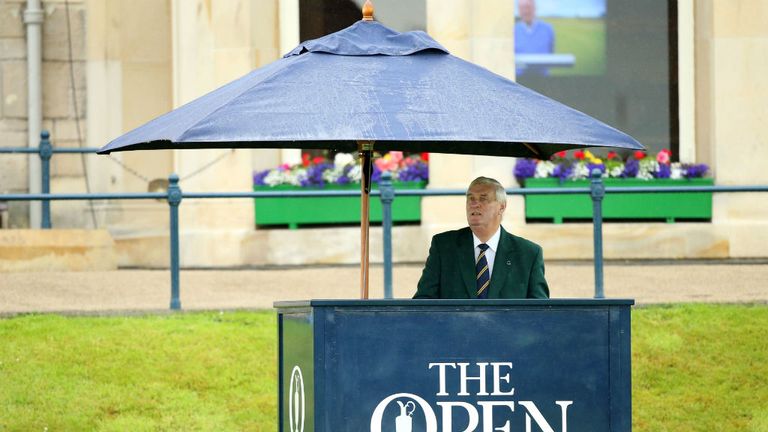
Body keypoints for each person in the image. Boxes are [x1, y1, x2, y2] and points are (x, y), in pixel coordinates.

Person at [413, 177, 549, 299]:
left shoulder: (528, 254)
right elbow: (423, 301)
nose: (474, 204)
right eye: (471, 198)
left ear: (501, 207)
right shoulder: (443, 246)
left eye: (483, 199)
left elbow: (539, 312)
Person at [514, 0, 555, 77]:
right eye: (522, 8)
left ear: (535, 8)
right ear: (519, 10)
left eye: (528, 7)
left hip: (543, 79)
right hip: (519, 81)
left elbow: (551, 52)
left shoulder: (548, 29)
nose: (526, 11)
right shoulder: (513, 30)